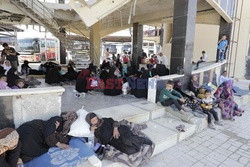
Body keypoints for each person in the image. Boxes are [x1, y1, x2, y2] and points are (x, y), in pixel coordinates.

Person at [85, 113, 152, 155]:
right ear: (90, 122)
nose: (96, 121)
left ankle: (142, 140)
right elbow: (95, 145)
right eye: (93, 121)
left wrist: (115, 128)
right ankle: (138, 143)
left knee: (127, 141)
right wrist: (92, 133)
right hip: (113, 140)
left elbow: (115, 122)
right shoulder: (93, 132)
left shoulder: (104, 120)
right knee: (129, 151)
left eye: (96, 118)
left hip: (120, 130)